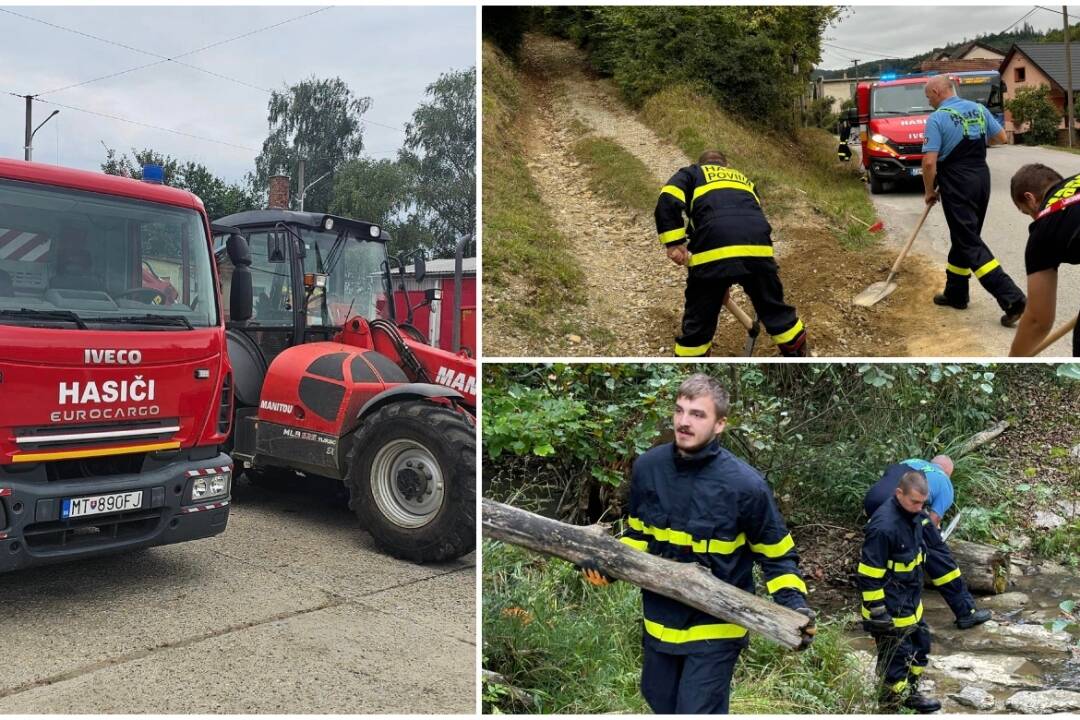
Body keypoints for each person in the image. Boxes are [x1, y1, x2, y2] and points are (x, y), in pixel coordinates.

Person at [581, 373, 815, 714]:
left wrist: (794, 607)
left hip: (717, 625)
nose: (684, 422)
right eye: (679, 411)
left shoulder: (746, 486)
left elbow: (777, 556)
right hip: (659, 621)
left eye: (697, 414)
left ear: (720, 424)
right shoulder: (649, 468)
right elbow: (638, 536)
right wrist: (609, 567)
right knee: (659, 701)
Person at [654, 150, 808, 357]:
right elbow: (748, 216)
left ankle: (690, 362)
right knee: (774, 309)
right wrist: (723, 281)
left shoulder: (693, 173)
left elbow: (667, 198)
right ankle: (798, 353)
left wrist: (674, 243)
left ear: (703, 164)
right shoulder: (744, 180)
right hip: (758, 250)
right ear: (725, 166)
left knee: (698, 322)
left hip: (712, 252)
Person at [922, 75, 1026, 327]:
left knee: (968, 240)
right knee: (964, 237)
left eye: (929, 97)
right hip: (981, 177)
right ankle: (956, 293)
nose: (930, 102)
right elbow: (1001, 137)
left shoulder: (937, 118)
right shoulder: (978, 109)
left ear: (937, 91)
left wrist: (929, 191)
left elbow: (928, 162)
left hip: (957, 182)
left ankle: (1012, 298)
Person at [863, 456, 991, 629]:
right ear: (949, 472)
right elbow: (932, 521)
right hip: (897, 503)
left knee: (885, 558)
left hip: (872, 498)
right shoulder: (945, 483)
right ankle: (966, 612)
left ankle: (876, 607)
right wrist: (934, 538)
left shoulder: (913, 462)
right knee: (938, 557)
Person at [858, 471, 942, 714]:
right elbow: (869, 574)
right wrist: (878, 612)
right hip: (887, 606)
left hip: (910, 600)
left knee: (920, 648)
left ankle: (910, 694)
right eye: (914, 502)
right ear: (899, 494)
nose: (919, 508)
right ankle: (889, 706)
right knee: (896, 660)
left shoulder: (913, 516)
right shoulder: (884, 526)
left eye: (923, 503)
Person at [1008, 163, 1080, 356]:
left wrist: (1014, 361)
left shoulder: (1044, 228)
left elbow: (1038, 321)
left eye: (1027, 212)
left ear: (1030, 199)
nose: (1033, 218)